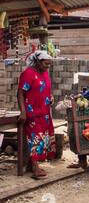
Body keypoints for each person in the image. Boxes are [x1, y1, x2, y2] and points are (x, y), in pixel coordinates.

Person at [18, 51, 55, 179]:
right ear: (38, 62)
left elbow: (45, 88)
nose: (47, 67)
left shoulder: (44, 73)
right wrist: (23, 111)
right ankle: (35, 167)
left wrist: (51, 97)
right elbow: (21, 93)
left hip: (44, 112)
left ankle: (32, 164)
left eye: (49, 64)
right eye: (45, 64)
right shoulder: (28, 74)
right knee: (35, 138)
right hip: (32, 113)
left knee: (43, 138)